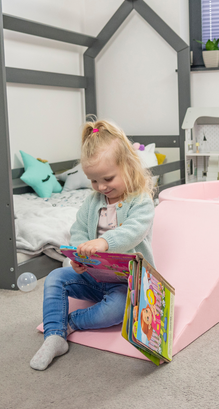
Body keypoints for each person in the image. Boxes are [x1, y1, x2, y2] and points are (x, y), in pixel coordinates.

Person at [30, 119, 155, 371]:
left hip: (126, 283)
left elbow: (134, 232)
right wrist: (75, 257)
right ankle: (54, 336)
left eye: (108, 178)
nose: (101, 187)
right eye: (94, 181)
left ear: (129, 166)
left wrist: (103, 242)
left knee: (117, 311)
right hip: (92, 276)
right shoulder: (92, 201)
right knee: (55, 277)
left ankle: (69, 323)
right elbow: (77, 230)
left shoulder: (140, 200)